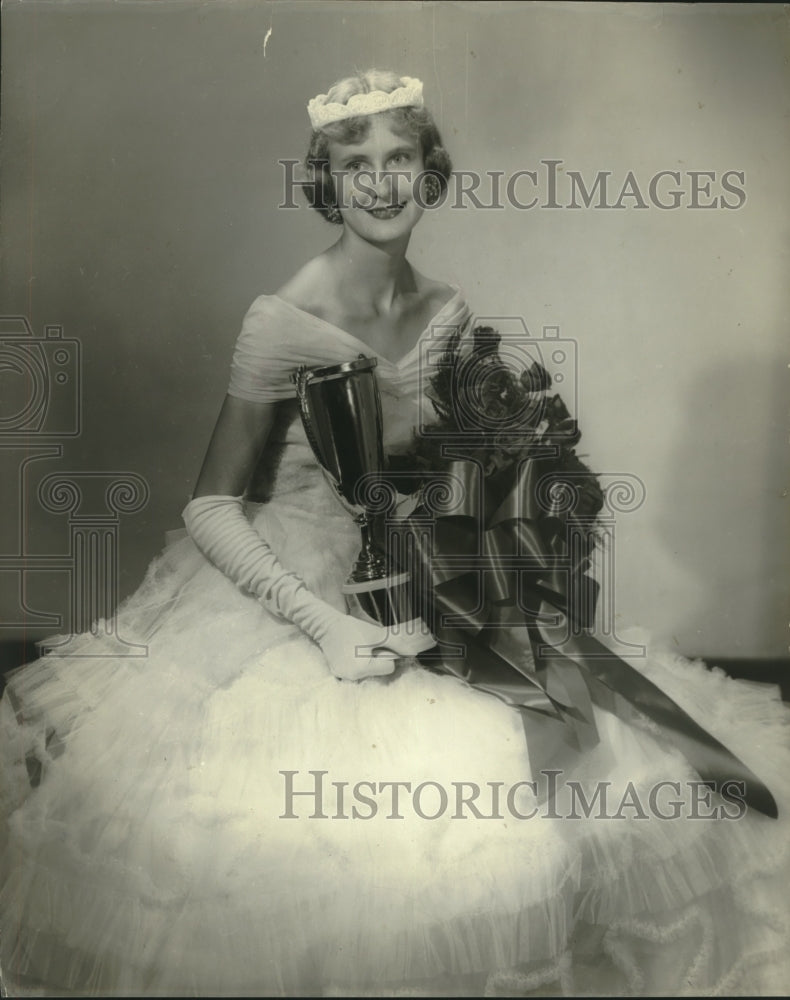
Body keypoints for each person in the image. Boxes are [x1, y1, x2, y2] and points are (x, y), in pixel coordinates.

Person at [1, 69, 788, 998]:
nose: (380, 184)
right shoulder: (285, 316)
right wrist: (322, 622)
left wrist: (499, 538)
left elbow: (445, 466)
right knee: (329, 851)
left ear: (431, 170)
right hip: (290, 586)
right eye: (355, 163)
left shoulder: (446, 308)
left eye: (400, 158)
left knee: (585, 763)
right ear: (325, 182)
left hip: (418, 570)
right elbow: (212, 504)